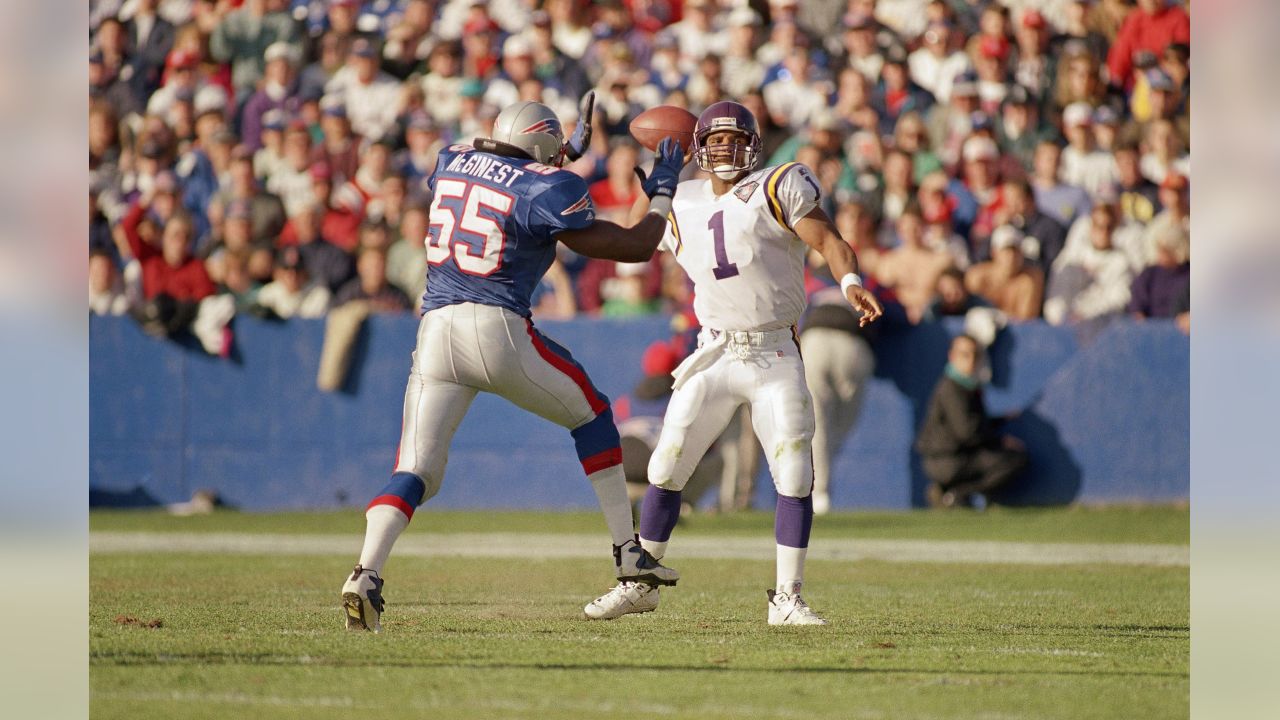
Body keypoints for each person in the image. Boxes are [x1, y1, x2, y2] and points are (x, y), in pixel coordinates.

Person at [341, 94, 685, 632]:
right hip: (495, 327)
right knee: (593, 414)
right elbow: (638, 246)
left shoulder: (452, 158)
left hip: (434, 331)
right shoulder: (550, 187)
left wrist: (563, 150)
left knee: (415, 472)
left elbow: (508, 173)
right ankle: (627, 552)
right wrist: (663, 189)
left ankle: (366, 572)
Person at [591, 101, 883, 625]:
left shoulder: (779, 184)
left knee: (794, 473)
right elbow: (633, 244)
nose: (725, 148)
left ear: (754, 144)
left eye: (734, 139)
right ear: (698, 148)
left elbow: (830, 240)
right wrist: (657, 185)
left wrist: (850, 282)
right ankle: (641, 583)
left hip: (773, 350)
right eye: (716, 140)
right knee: (666, 465)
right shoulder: (681, 196)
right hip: (716, 350)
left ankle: (787, 598)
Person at [915, 334, 1027, 509]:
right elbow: (967, 432)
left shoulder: (967, 386)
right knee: (1013, 459)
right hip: (946, 459)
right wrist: (999, 440)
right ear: (952, 356)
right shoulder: (951, 388)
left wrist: (1001, 420)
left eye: (975, 355)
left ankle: (950, 492)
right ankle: (956, 495)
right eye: (965, 354)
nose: (971, 360)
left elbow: (973, 424)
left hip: (953, 457)